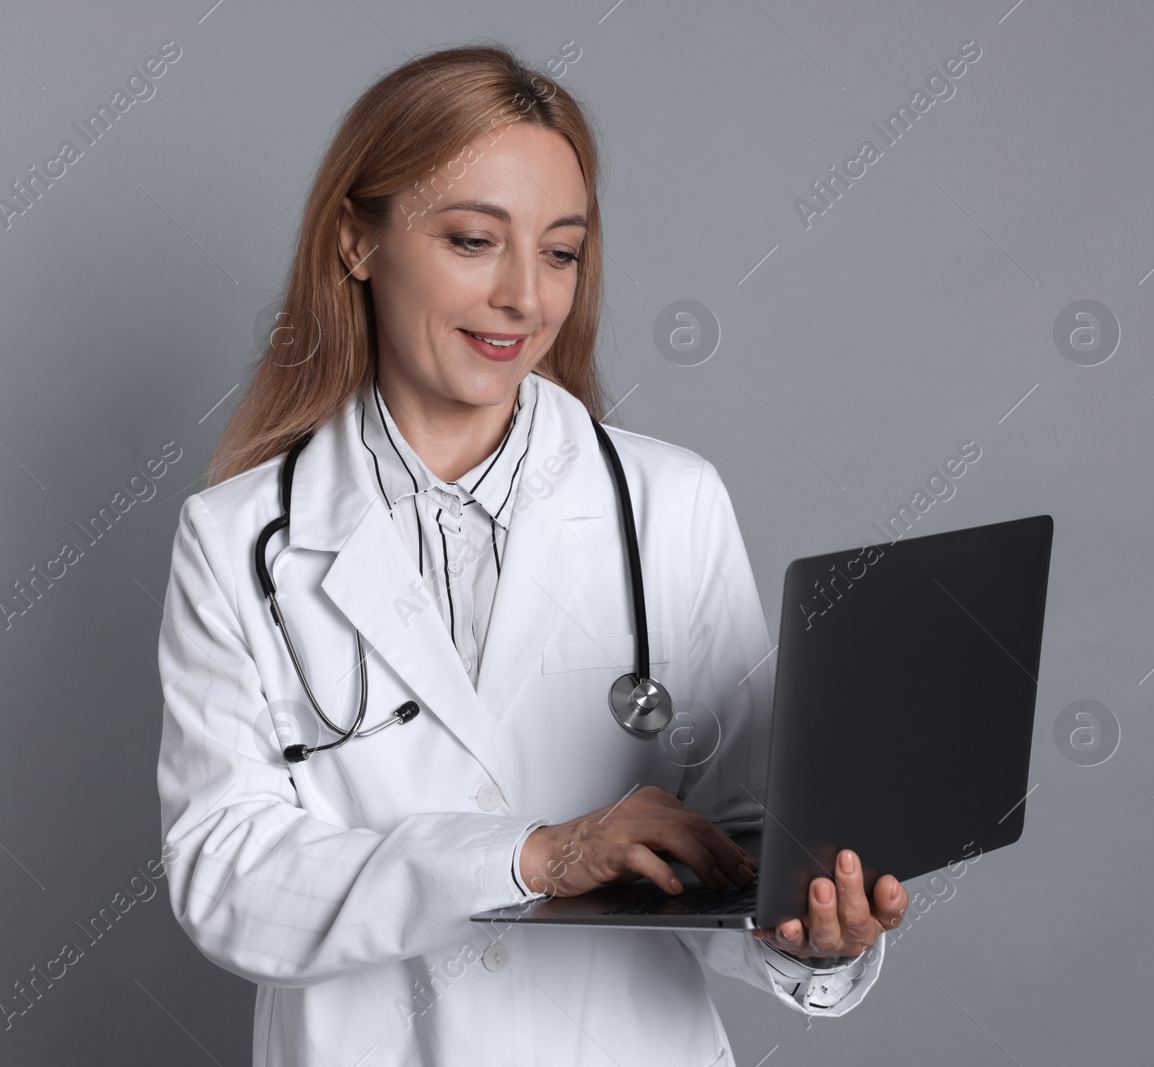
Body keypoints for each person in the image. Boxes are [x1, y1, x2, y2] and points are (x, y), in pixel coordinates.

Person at [155, 43, 907, 1067]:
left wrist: (809, 933)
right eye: (472, 239)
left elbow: (738, 845)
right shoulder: (240, 538)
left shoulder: (667, 505)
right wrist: (534, 856)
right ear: (355, 242)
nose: (523, 295)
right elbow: (228, 880)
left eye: (559, 251)